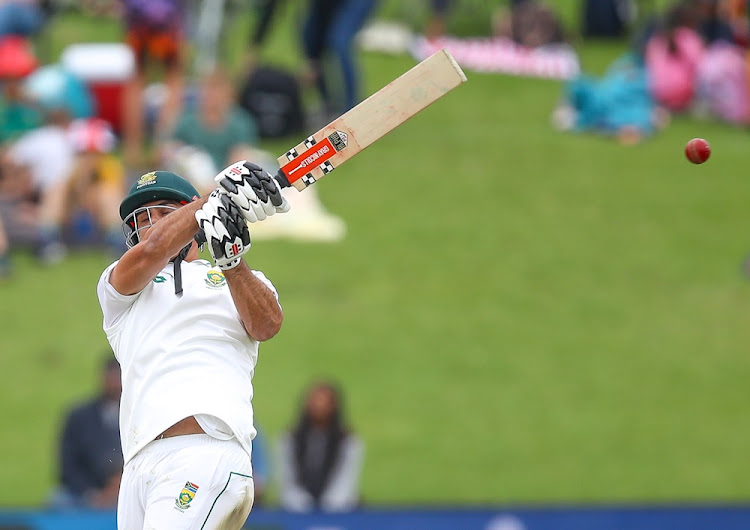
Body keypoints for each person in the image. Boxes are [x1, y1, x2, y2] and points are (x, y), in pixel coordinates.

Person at [96, 163, 288, 529]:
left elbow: (267, 325)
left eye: (163, 214)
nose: (151, 226)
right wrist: (217, 199)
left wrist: (231, 262)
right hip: (139, 464)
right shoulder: (119, 288)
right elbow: (155, 248)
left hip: (204, 452)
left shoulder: (243, 280)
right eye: (142, 219)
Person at [277, 380, 364, 512]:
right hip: (296, 510)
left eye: (324, 401)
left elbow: (345, 481)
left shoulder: (348, 441)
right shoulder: (290, 438)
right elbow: (287, 478)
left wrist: (328, 508)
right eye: (315, 401)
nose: (318, 406)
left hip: (339, 512)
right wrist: (300, 503)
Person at [119, 0, 187, 167]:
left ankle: (132, 149)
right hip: (168, 13)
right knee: (173, 77)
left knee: (136, 78)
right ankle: (162, 145)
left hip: (139, 11)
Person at [50, 357, 123, 509]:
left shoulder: (141, 416)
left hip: (131, 489)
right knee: (58, 500)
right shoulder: (79, 417)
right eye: (112, 377)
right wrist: (92, 493)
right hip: (87, 493)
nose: (116, 383)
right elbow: (67, 464)